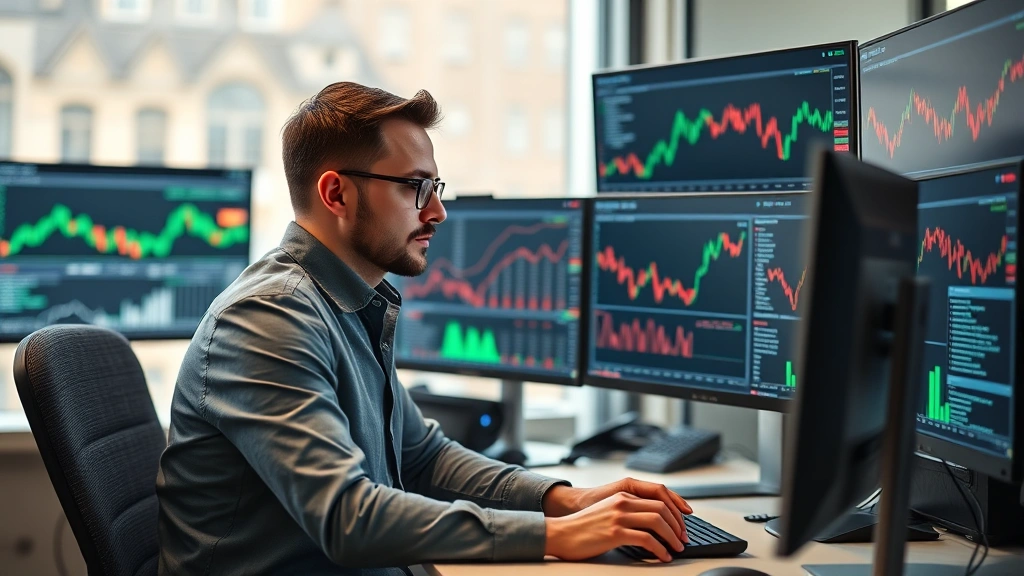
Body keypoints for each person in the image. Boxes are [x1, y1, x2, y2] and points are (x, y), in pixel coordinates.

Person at [155, 82, 692, 575]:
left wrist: (567, 499)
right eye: (415, 187)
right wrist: (556, 534)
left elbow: (422, 456)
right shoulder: (267, 319)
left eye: (435, 186)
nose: (437, 211)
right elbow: (348, 519)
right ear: (336, 194)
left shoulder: (347, 304)